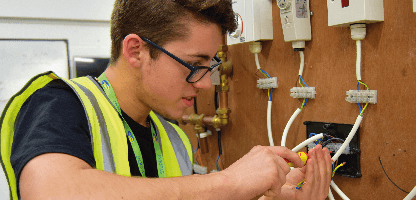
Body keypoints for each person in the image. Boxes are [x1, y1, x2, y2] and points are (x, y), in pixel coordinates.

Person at [0, 0, 332, 199]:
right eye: (194, 65)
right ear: (136, 51)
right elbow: (52, 193)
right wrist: (231, 182)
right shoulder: (62, 105)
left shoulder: (172, 136)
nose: (204, 85)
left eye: (210, 66)